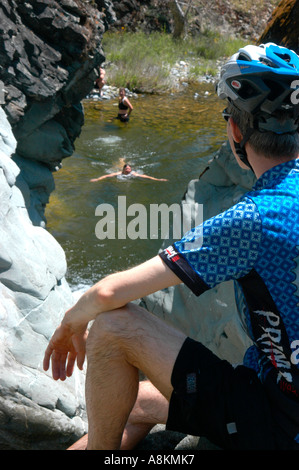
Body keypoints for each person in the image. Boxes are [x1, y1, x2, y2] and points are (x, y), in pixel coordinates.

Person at [43, 43, 299, 450]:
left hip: (279, 423)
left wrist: (71, 323)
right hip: (268, 385)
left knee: (113, 327)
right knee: (142, 402)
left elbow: (109, 293)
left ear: (235, 130)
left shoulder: (253, 218)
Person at [90, 163, 168, 182]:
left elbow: (145, 176)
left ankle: (122, 161)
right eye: (126, 168)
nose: (128, 170)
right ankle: (121, 161)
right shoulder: (119, 173)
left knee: (121, 163)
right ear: (123, 170)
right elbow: (107, 176)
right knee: (117, 164)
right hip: (119, 170)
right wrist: (97, 179)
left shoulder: (133, 173)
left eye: (129, 168)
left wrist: (157, 179)